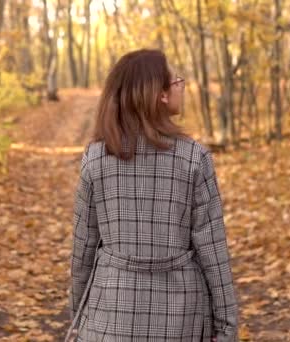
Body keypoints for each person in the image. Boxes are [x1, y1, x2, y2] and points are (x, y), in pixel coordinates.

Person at [67, 49, 239, 342]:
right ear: (159, 94)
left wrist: (77, 316)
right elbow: (213, 251)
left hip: (110, 311)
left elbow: (83, 249)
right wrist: (226, 327)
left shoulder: (95, 158)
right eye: (176, 81)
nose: (181, 85)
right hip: (180, 314)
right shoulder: (194, 158)